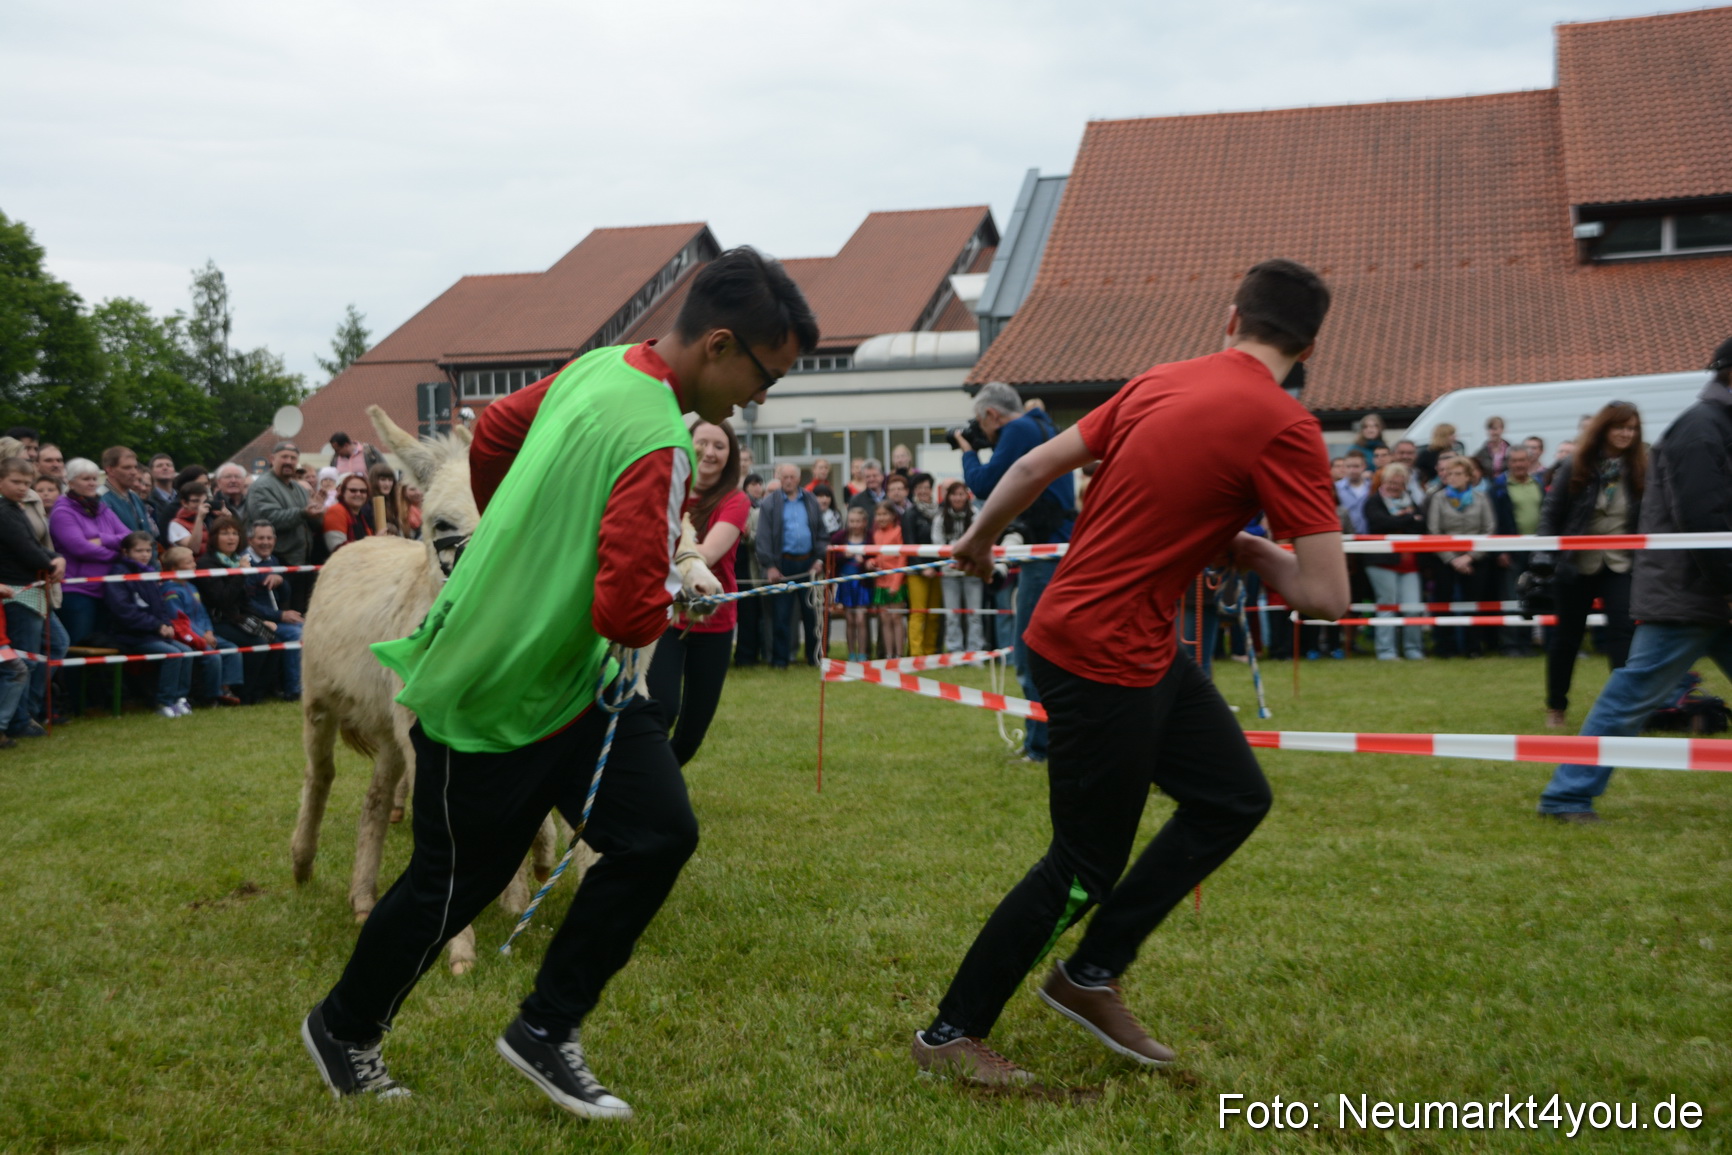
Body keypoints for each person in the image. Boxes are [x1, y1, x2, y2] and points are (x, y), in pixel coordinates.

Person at [301, 246, 816, 1119]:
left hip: (576, 688)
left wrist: (533, 539)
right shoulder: (659, 441)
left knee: (657, 832)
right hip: (498, 686)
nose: (759, 397)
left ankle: (546, 1025)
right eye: (765, 374)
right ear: (722, 344)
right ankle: (344, 1028)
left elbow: (497, 429)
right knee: (452, 880)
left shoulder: (600, 368)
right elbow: (623, 612)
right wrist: (662, 593)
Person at [912, 258, 1346, 1085]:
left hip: (1132, 646)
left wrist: (976, 541)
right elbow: (1325, 594)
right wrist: (1252, 545)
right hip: (1099, 656)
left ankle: (1090, 972)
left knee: (1233, 796)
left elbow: (1035, 467)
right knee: (1080, 864)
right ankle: (948, 1034)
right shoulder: (1287, 426)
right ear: (1312, 341)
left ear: (1231, 319)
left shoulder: (1158, 380)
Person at [1537, 339, 1732, 821]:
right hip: (1692, 593)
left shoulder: (1714, 425)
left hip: (1702, 589)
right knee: (1628, 698)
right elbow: (1706, 520)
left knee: (1628, 694)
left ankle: (1567, 794)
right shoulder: (1702, 429)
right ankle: (1566, 796)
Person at [958, 381, 1076, 763]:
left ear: (992, 414)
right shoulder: (1043, 427)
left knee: (1029, 655)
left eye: (983, 423)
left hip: (1042, 558)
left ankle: (1041, 747)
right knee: (1057, 654)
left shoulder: (1018, 430)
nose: (984, 432)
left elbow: (985, 485)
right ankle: (1054, 741)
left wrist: (968, 452)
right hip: (1058, 550)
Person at [1530, 401, 1644, 729]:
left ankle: (1623, 710)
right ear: (1604, 428)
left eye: (1632, 428)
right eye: (1620, 426)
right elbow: (1551, 513)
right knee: (1567, 637)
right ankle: (1556, 706)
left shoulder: (1640, 466)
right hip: (1576, 563)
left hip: (1622, 562)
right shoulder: (1575, 464)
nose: (1626, 433)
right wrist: (1543, 557)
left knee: (1623, 633)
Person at [645, 419, 750, 764]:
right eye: (702, 443)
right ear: (686, 445)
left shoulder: (736, 501)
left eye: (719, 446)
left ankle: (660, 781)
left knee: (692, 732)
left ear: (730, 456)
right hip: (668, 619)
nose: (709, 452)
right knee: (661, 708)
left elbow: (704, 555)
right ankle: (650, 788)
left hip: (715, 624)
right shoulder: (665, 491)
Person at [0, 456, 65, 734]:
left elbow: (31, 545)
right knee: (25, 658)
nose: (22, 488)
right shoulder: (3, 512)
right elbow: (25, 550)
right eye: (16, 481)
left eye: (27, 483)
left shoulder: (15, 508)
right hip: (16, 592)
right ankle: (20, 720)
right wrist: (53, 561)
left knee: (55, 646)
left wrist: (54, 557)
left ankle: (30, 712)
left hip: (33, 590)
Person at [99, 531, 197, 717]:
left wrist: (167, 624)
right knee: (174, 654)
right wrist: (157, 626)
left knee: (188, 651)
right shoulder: (118, 575)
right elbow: (124, 612)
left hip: (152, 631)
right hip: (129, 635)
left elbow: (160, 606)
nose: (145, 555)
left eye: (148, 550)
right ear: (126, 552)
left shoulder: (149, 573)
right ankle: (164, 702)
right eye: (139, 551)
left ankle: (180, 699)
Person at [195, 515, 281, 703]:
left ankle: (258, 693)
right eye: (225, 533)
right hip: (217, 621)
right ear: (214, 537)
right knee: (258, 644)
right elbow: (222, 599)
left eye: (234, 533)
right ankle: (244, 694)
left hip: (238, 617)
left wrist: (263, 620)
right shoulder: (207, 564)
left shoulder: (236, 561)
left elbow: (245, 601)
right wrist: (240, 574)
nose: (231, 538)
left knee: (276, 640)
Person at [49, 458, 130, 645]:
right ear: (70, 482)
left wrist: (102, 539)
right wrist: (117, 555)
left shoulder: (101, 508)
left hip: (106, 590)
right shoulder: (62, 511)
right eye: (86, 479)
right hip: (77, 592)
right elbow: (80, 548)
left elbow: (129, 537)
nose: (92, 483)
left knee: (102, 648)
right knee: (78, 646)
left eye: (94, 479)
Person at [1426, 456, 1497, 658]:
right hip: (1445, 559)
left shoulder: (1481, 498)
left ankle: (1473, 647)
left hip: (1475, 559)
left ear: (1468, 476)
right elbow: (1434, 531)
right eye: (1449, 474)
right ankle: (1444, 646)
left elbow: (1489, 529)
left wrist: (1470, 557)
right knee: (1444, 602)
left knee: (1473, 603)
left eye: (1458, 474)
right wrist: (1452, 559)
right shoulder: (1438, 498)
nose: (1453, 478)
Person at [756, 462, 824, 669]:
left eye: (791, 477)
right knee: (781, 615)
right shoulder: (770, 503)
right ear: (779, 477)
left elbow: (821, 533)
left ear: (798, 479)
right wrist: (770, 566)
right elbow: (763, 537)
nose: (788, 481)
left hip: (808, 564)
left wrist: (819, 559)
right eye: (784, 477)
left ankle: (814, 658)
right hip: (782, 564)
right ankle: (780, 660)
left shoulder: (810, 500)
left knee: (812, 614)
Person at [159, 545, 242, 706]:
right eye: (189, 563)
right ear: (175, 568)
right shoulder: (170, 591)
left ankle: (226, 688)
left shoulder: (191, 587)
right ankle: (210, 697)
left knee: (232, 649)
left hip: (205, 632)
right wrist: (202, 636)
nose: (194, 565)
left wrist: (209, 630)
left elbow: (203, 613)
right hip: (187, 635)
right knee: (213, 656)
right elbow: (180, 620)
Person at [246, 442, 322, 614]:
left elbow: (310, 521)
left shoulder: (299, 489)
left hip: (302, 562)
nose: (289, 461)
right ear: (272, 459)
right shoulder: (262, 486)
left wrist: (318, 514)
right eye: (284, 457)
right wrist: (303, 513)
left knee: (302, 612)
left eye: (293, 458)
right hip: (278, 561)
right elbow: (267, 519)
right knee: (284, 614)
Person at [1362, 463, 1426, 661]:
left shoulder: (1412, 501)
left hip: (1409, 563)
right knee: (1387, 605)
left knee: (1413, 607)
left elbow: (1420, 526)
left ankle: (1413, 650)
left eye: (1398, 483)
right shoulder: (1373, 502)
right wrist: (1408, 518)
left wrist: (1403, 520)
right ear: (1383, 482)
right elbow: (1382, 523)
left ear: (1405, 484)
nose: (1393, 487)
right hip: (1381, 562)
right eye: (1390, 482)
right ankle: (1386, 651)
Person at [1491, 447, 1545, 656]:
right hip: (1511, 550)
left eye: (1523, 460)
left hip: (1536, 550)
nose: (1519, 465)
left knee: (1532, 597)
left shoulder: (1537, 484)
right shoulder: (1499, 487)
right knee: (1511, 597)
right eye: (1515, 461)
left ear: (1529, 461)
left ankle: (1526, 643)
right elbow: (1496, 520)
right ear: (1508, 463)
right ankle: (1510, 644)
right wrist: (1500, 550)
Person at [243, 521, 304, 699]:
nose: (266, 542)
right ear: (250, 540)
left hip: (273, 616)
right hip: (252, 619)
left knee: (308, 629)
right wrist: (280, 615)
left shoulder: (273, 560)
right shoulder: (245, 563)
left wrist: (281, 580)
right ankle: (294, 689)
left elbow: (284, 595)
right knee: (295, 634)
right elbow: (248, 603)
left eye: (269, 538)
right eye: (260, 538)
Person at [933, 480, 985, 653]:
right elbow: (937, 544)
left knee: (974, 615)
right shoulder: (940, 518)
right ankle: (955, 651)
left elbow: (979, 539)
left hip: (972, 571)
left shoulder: (976, 514)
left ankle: (974, 651)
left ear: (967, 496)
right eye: (954, 494)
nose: (957, 498)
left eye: (961, 494)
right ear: (948, 497)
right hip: (949, 573)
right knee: (952, 615)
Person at [901, 472, 942, 656]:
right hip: (917, 571)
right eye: (919, 488)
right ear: (914, 491)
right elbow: (909, 543)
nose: (923, 491)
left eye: (926, 487)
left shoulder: (940, 511)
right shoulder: (910, 514)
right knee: (918, 613)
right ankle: (917, 654)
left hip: (938, 570)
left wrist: (937, 566)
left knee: (934, 614)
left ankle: (930, 650)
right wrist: (922, 567)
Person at [832, 506, 874, 661]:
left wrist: (866, 561)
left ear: (864, 522)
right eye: (851, 521)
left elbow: (874, 556)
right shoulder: (840, 537)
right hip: (846, 582)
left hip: (863, 584)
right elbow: (831, 557)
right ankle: (851, 654)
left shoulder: (870, 537)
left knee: (861, 619)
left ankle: (862, 654)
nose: (855, 524)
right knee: (849, 619)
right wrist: (844, 555)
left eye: (858, 521)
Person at [867, 502, 906, 660]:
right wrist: (872, 562)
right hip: (880, 583)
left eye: (885, 514)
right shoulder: (875, 534)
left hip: (896, 582)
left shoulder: (898, 532)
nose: (881, 518)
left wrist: (896, 583)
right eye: (879, 515)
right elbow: (877, 556)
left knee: (896, 618)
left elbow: (902, 558)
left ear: (892, 516)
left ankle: (899, 654)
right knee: (884, 619)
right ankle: (889, 654)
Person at [99, 446, 154, 538]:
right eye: (127, 467)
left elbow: (148, 533)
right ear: (110, 470)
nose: (134, 472)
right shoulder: (100, 498)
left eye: (135, 467)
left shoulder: (134, 496)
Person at [322, 474, 374, 553]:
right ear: (343, 492)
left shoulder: (361, 515)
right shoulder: (336, 511)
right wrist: (375, 542)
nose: (358, 494)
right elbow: (338, 549)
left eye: (363, 491)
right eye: (353, 490)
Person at [166, 481, 212, 554]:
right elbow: (193, 549)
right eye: (195, 501)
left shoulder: (209, 518)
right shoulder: (175, 524)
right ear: (184, 503)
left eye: (204, 501)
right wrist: (199, 518)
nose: (201, 505)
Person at [367, 462, 403, 535]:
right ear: (374, 481)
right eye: (383, 480)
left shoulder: (392, 502)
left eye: (390, 480)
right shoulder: (368, 504)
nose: (387, 484)